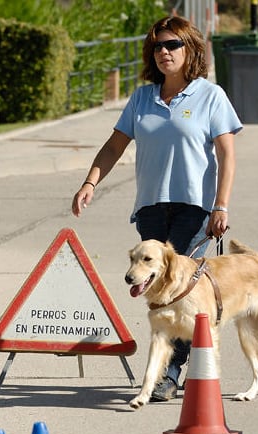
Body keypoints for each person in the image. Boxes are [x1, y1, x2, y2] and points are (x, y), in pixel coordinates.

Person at [71, 15, 242, 402]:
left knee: (179, 289)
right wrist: (89, 182)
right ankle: (180, 364)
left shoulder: (210, 96)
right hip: (150, 208)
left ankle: (170, 372)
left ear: (190, 49)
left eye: (172, 45)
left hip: (194, 209)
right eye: (158, 46)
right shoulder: (142, 99)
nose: (164, 52)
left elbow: (227, 155)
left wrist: (221, 205)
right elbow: (114, 146)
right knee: (159, 289)